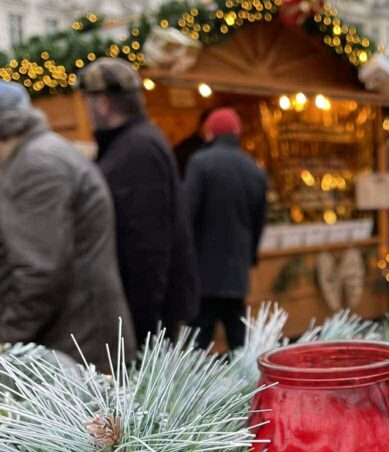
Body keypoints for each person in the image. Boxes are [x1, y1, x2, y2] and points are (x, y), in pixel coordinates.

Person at [0, 80, 135, 370]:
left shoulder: (35, 165)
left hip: (77, 347)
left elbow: (39, 273)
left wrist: (5, 338)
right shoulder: (40, 153)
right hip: (78, 338)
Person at [78, 58, 199, 345]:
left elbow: (148, 245)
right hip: (148, 312)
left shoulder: (137, 150)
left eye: (87, 101)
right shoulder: (134, 143)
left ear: (103, 104)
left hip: (147, 319)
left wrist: (142, 327)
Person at [183, 107, 267, 350]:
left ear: (210, 133)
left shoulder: (199, 163)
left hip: (203, 271)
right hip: (236, 271)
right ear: (237, 133)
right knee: (239, 343)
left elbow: (187, 214)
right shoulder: (254, 169)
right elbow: (259, 222)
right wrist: (249, 256)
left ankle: (196, 389)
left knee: (197, 346)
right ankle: (245, 388)